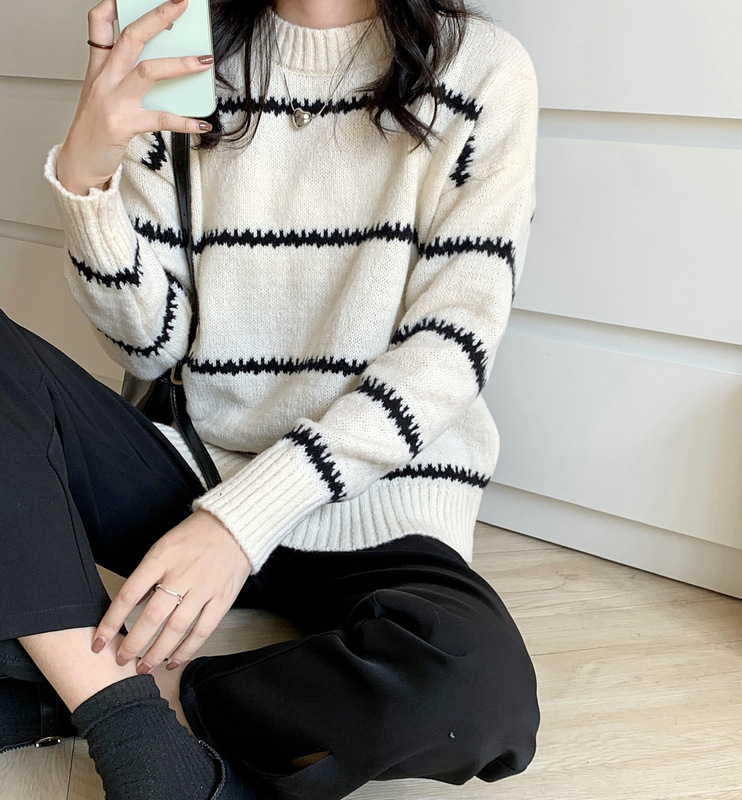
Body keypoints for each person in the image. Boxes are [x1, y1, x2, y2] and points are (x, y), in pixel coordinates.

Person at [0, 0, 540, 797]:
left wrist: (240, 523)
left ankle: (92, 693)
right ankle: (139, 740)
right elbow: (153, 345)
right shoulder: (185, 52)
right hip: (189, 476)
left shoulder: (482, 70)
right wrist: (88, 175)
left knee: (477, 690)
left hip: (377, 502)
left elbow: (447, 352)